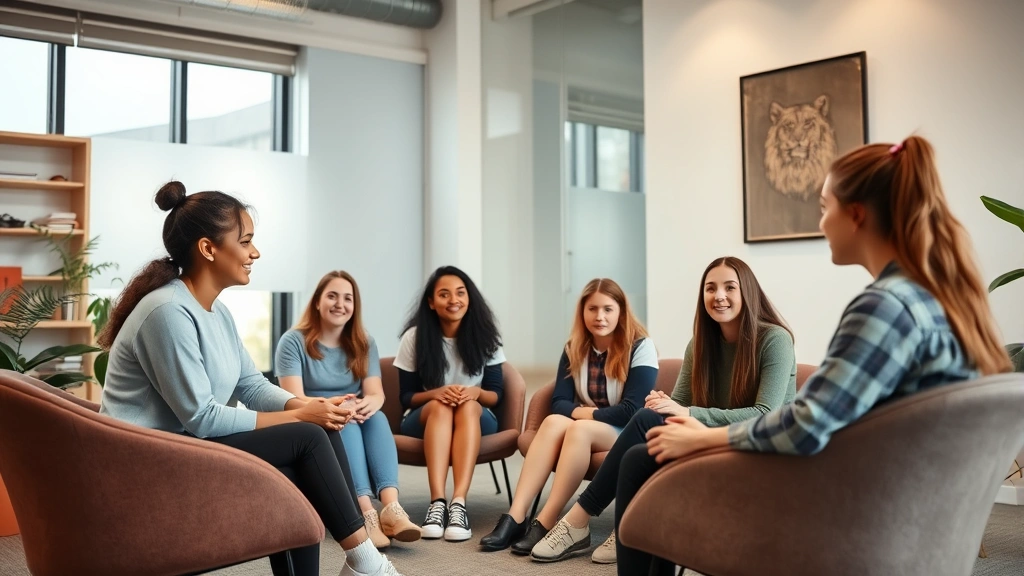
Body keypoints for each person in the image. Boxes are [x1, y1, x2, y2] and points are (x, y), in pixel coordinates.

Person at [616, 136, 1013, 576]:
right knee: (646, 455)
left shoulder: (885, 306)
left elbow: (805, 424)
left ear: (856, 215)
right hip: (908, 506)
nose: (821, 223)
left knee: (640, 459)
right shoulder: (939, 298)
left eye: (825, 208)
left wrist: (703, 437)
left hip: (849, 508)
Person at [99, 182, 405, 576]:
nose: (254, 253)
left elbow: (251, 384)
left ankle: (362, 561)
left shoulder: (216, 312)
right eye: (245, 242)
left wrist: (307, 407)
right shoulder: (167, 312)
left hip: (184, 446)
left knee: (316, 436)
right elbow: (204, 418)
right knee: (307, 435)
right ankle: (368, 564)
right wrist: (302, 417)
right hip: (148, 461)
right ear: (208, 249)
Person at [528, 258, 796, 564]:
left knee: (646, 421)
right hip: (707, 435)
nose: (718, 295)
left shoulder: (775, 339)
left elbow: (765, 414)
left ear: (747, 291)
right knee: (643, 431)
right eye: (710, 288)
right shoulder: (700, 343)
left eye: (729, 287)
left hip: (758, 442)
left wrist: (687, 413)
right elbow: (678, 400)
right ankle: (617, 522)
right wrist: (662, 401)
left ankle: (583, 520)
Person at [479, 278, 657, 558]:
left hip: (626, 431)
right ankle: (516, 517)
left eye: (608, 309)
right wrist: (583, 414)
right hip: (587, 425)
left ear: (621, 311)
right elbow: (558, 403)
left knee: (580, 430)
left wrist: (586, 414)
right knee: (551, 423)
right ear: (582, 312)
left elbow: (631, 410)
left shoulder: (641, 346)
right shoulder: (574, 346)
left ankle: (547, 521)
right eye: (593, 309)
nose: (600, 316)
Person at [276, 271, 421, 550]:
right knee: (349, 422)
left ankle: (391, 509)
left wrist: (366, 404)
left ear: (355, 306)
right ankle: (364, 512)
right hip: (312, 416)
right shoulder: (293, 341)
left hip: (352, 413)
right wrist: (341, 407)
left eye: (347, 298)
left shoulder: (363, 341)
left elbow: (376, 393)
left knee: (376, 417)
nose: (339, 304)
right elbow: (293, 398)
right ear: (317, 301)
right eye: (332, 296)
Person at [394, 265, 506, 542]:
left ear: (469, 298)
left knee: (466, 406)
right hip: (424, 420)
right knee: (443, 406)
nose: (453, 300)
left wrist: (475, 394)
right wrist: (437, 393)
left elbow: (495, 394)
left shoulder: (486, 336)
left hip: (476, 418)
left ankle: (458, 504)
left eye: (460, 293)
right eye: (444, 294)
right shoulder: (414, 337)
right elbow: (407, 397)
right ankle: (437, 503)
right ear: (431, 302)